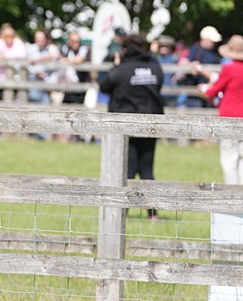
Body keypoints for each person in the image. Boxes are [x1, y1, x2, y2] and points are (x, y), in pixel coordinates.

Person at [99, 35, 164, 219]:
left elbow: (104, 86)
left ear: (125, 50)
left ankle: (122, 211)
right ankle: (152, 214)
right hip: (151, 124)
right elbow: (159, 85)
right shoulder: (155, 67)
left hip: (125, 126)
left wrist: (116, 65)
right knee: (147, 169)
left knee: (126, 170)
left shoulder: (122, 69)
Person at [198, 34, 243, 185]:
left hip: (229, 116)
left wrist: (204, 89)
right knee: (242, 155)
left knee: (228, 156)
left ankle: (232, 191)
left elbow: (215, 90)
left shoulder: (229, 68)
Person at [178, 25, 223, 106]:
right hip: (196, 93)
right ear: (204, 39)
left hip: (209, 91)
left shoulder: (214, 52)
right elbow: (185, 63)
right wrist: (192, 65)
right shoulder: (196, 50)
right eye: (211, 41)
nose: (213, 43)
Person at [26, 29, 60, 105]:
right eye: (37, 39)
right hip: (35, 79)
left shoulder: (51, 48)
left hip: (49, 79)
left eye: (41, 39)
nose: (39, 41)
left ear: (46, 39)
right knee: (36, 96)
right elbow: (28, 64)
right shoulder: (31, 48)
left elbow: (56, 57)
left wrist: (37, 60)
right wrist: (38, 72)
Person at [59, 31, 88, 104]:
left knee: (78, 106)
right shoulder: (65, 48)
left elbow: (79, 59)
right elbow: (57, 57)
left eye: (77, 41)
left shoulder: (83, 48)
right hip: (67, 85)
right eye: (73, 41)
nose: (76, 43)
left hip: (79, 84)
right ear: (69, 41)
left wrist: (66, 60)